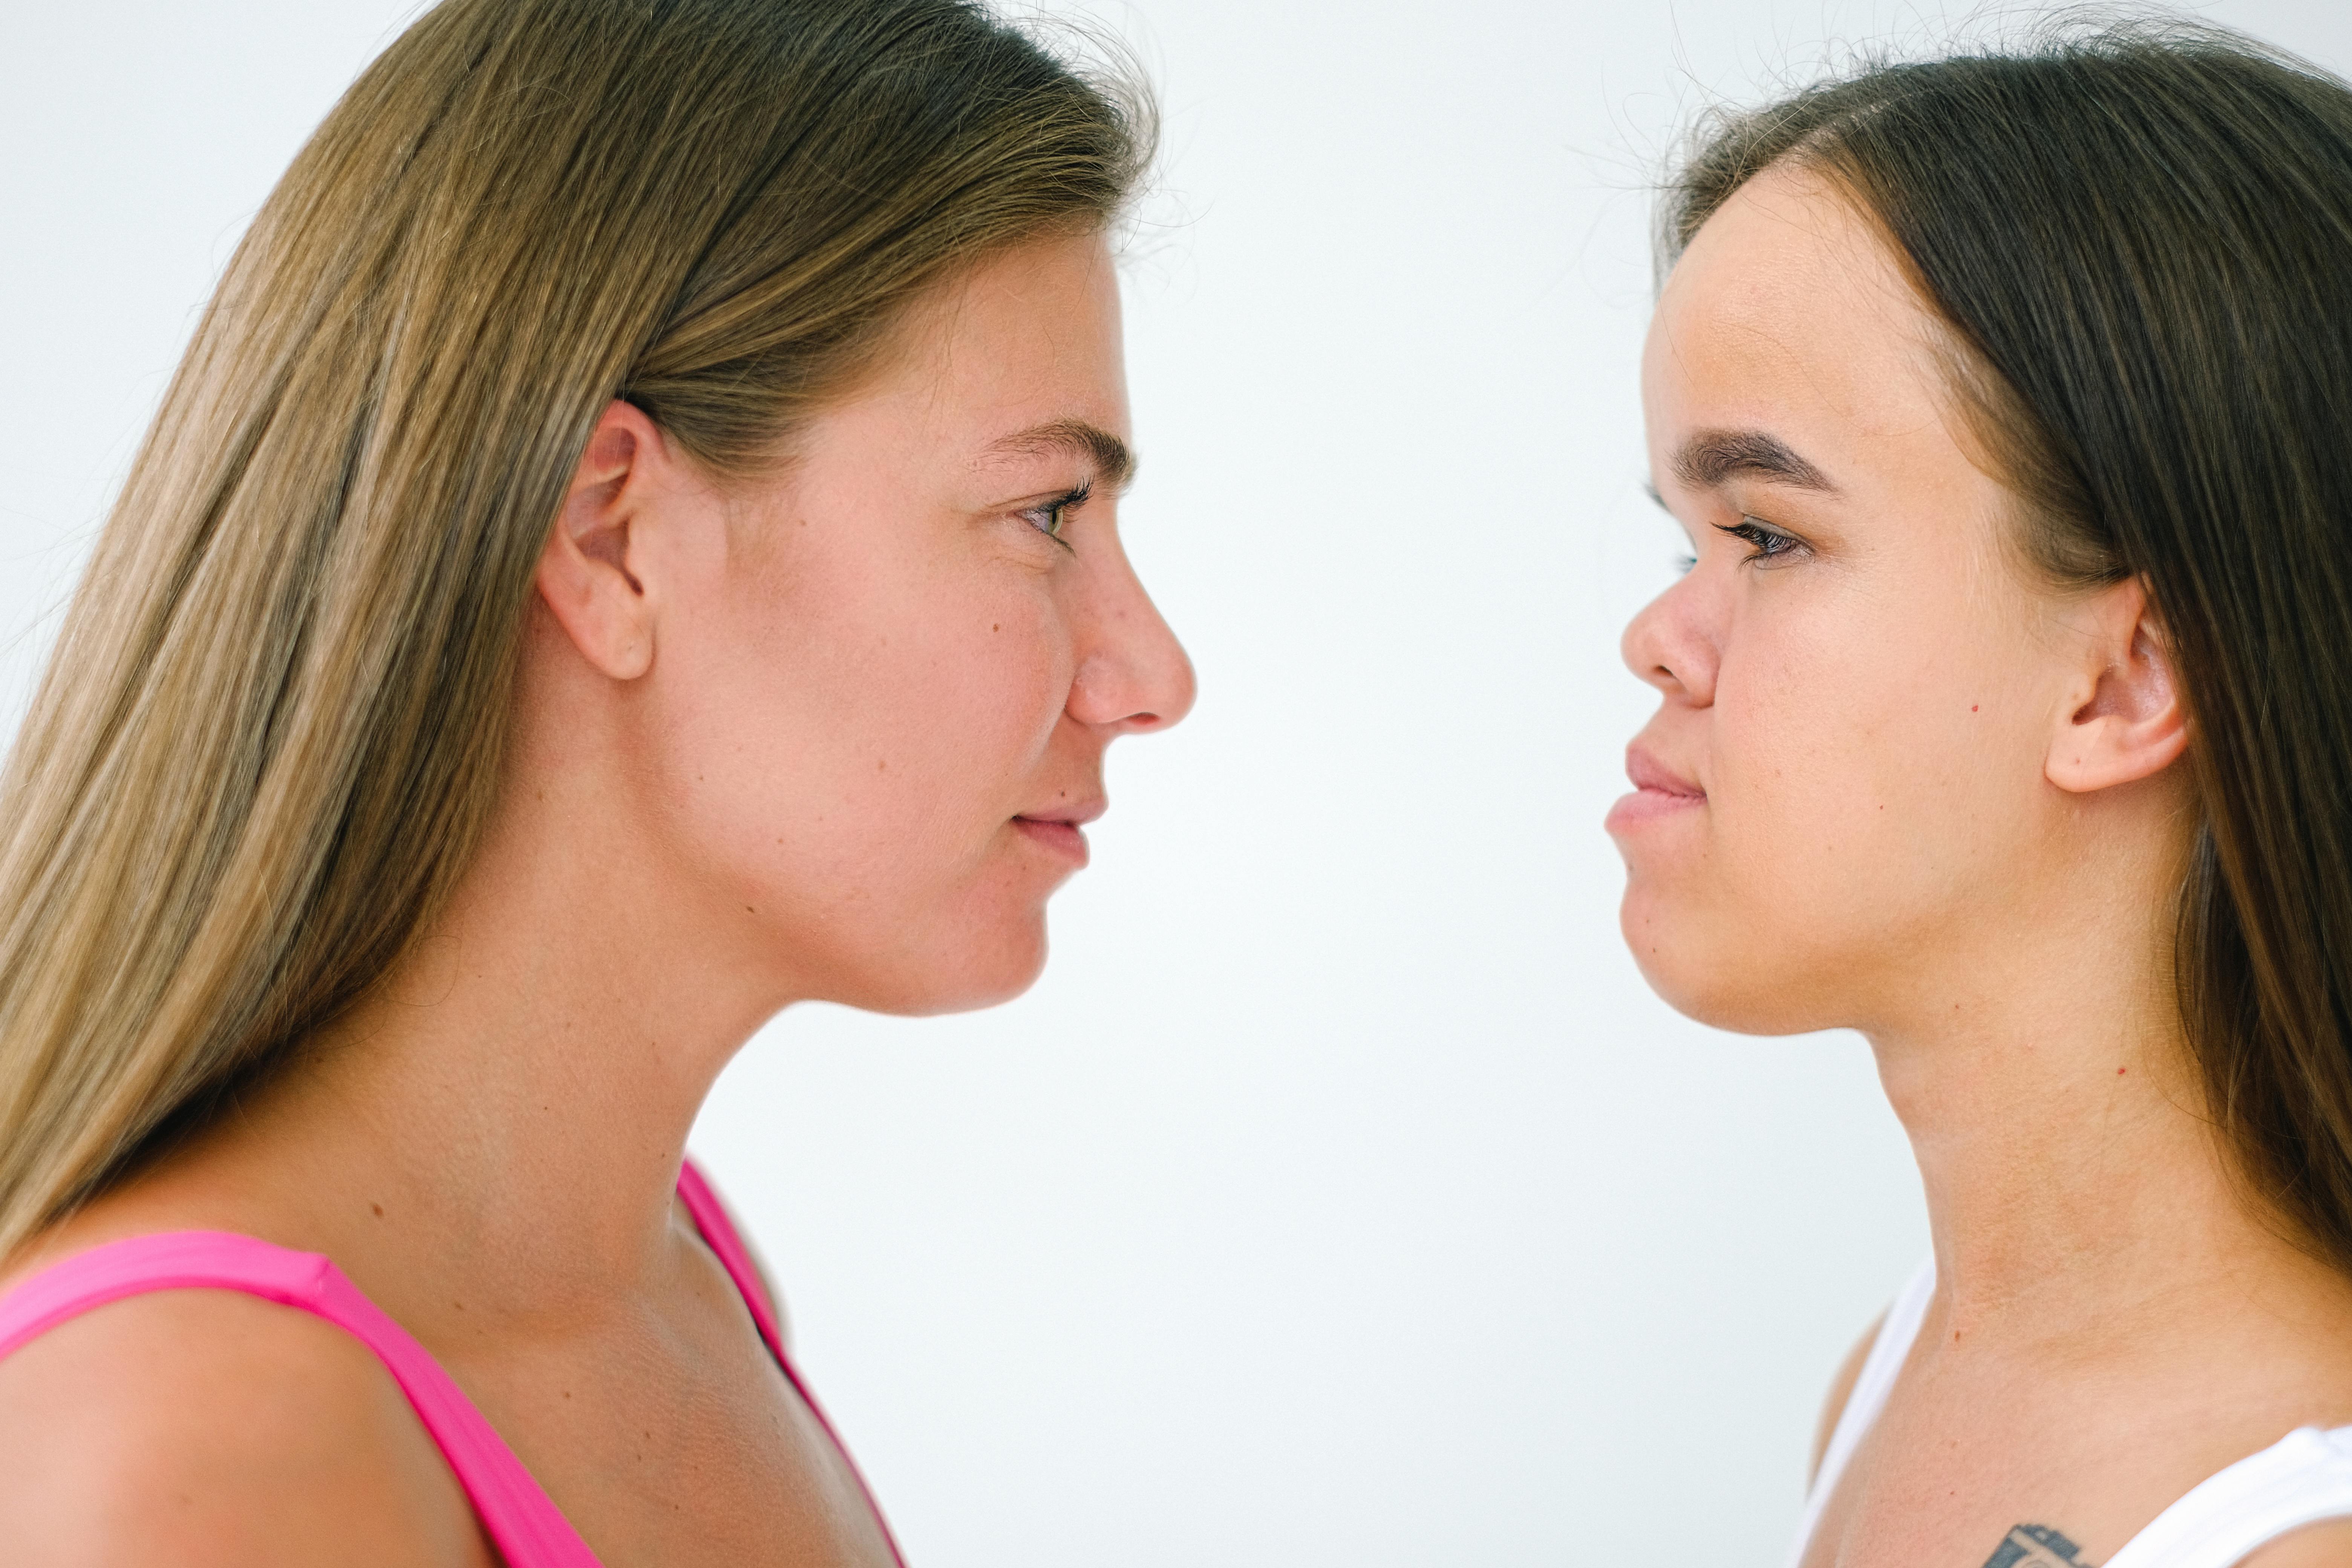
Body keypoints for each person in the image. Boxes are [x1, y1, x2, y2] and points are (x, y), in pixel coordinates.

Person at [0, 0, 1191, 1561]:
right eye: (1046, 510)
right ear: (611, 536)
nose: (1152, 672)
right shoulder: (206, 1453)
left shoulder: (677, 1272)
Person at [1610, 20, 2352, 1568]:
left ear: (2124, 678)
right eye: (1687, 541)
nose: (1656, 640)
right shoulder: (1893, 1377)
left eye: (1768, 533)